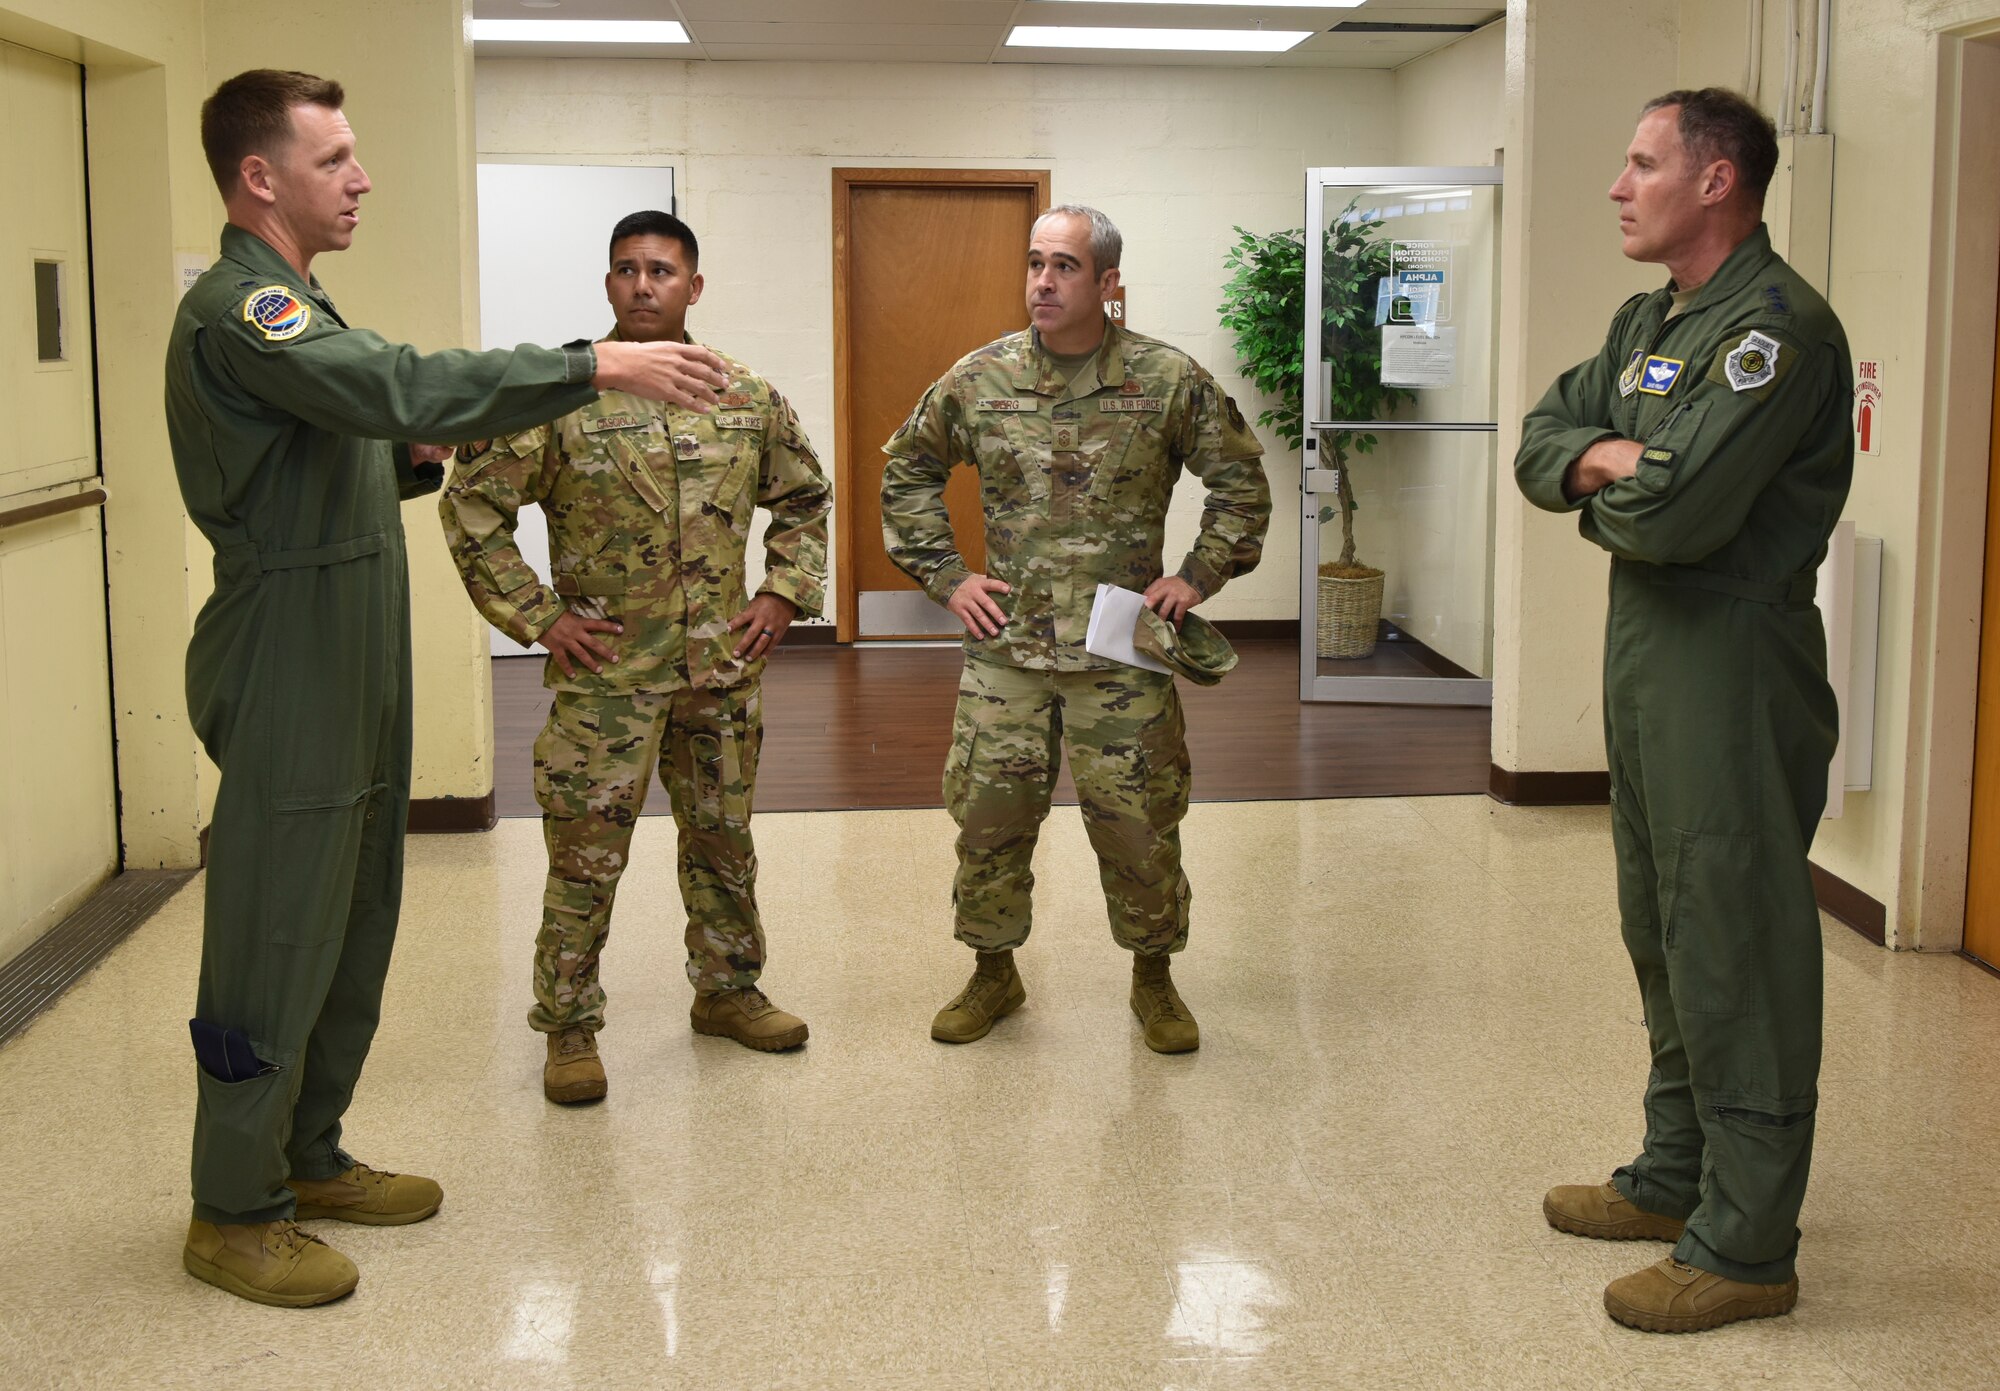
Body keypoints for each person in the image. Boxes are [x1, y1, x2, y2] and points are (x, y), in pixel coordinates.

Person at [166, 70, 729, 1308]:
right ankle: (230, 1204)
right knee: (272, 931)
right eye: (336, 160)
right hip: (290, 645)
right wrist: (595, 365)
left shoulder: (301, 300)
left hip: (355, 633)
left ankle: (306, 1156)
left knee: (353, 911)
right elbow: (392, 384)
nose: (361, 178)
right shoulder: (242, 304)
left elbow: (362, 427)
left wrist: (401, 453)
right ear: (262, 178)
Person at [1516, 88, 1854, 1333]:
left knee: (1735, 941)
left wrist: (1619, 479)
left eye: (1640, 162)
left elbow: (1674, 517)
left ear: (1715, 182)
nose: (1617, 184)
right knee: (1660, 922)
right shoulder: (1650, 319)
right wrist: (1607, 458)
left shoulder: (1773, 333)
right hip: (1647, 653)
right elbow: (1542, 438)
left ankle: (1748, 1241)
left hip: (1730, 661)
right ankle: (1675, 1175)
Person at [439, 210, 829, 1104]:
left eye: (662, 270)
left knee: (723, 841)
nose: (643, 285)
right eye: (626, 270)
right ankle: (569, 1025)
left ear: (694, 287)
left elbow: (805, 497)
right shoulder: (558, 395)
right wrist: (537, 616)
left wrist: (782, 593)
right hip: (607, 679)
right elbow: (472, 510)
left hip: (720, 672)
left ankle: (729, 991)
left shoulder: (744, 394)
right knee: (585, 854)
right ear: (608, 285)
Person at [880, 204, 1270, 1054]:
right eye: (1034, 264)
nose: (1043, 281)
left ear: (1107, 283)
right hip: (1008, 648)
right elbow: (906, 469)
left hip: (1120, 647)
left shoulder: (1165, 381)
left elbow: (1242, 484)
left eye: (1064, 266)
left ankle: (1154, 976)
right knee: (990, 812)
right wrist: (948, 578)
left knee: (1138, 822)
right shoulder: (979, 378)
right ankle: (993, 971)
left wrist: (1195, 576)